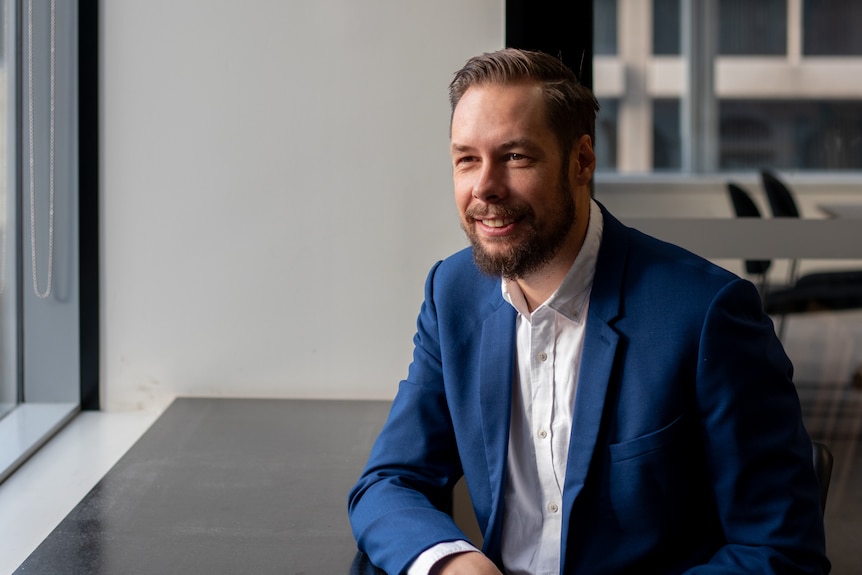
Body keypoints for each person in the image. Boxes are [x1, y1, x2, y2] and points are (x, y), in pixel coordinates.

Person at [348, 48, 829, 575]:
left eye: (515, 157)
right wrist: (452, 563)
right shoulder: (452, 293)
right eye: (467, 159)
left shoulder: (707, 314)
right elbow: (389, 482)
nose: (484, 187)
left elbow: (779, 551)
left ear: (581, 161)